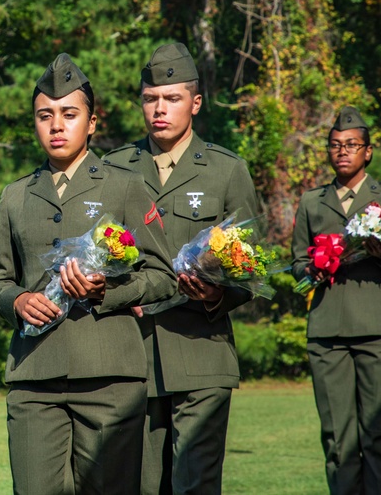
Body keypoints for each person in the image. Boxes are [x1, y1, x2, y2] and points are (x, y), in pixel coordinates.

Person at [0, 53, 176, 495]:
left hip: (109, 378)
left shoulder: (124, 186)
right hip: (34, 380)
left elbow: (162, 276)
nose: (56, 125)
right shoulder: (15, 197)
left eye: (69, 114)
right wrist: (15, 302)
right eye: (44, 115)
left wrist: (107, 290)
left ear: (91, 122)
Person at [103, 42, 260, 495]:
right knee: (139, 486)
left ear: (194, 102)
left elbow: (250, 267)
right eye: (151, 98)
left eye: (172, 99)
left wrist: (218, 295)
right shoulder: (114, 168)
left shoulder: (227, 171)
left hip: (202, 351)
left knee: (196, 486)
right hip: (132, 355)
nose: (160, 109)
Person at [291, 106, 381, 495]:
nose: (342, 151)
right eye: (335, 145)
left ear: (368, 151)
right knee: (338, 440)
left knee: (378, 437)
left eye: (351, 145)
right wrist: (311, 270)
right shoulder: (312, 202)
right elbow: (297, 263)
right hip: (328, 331)